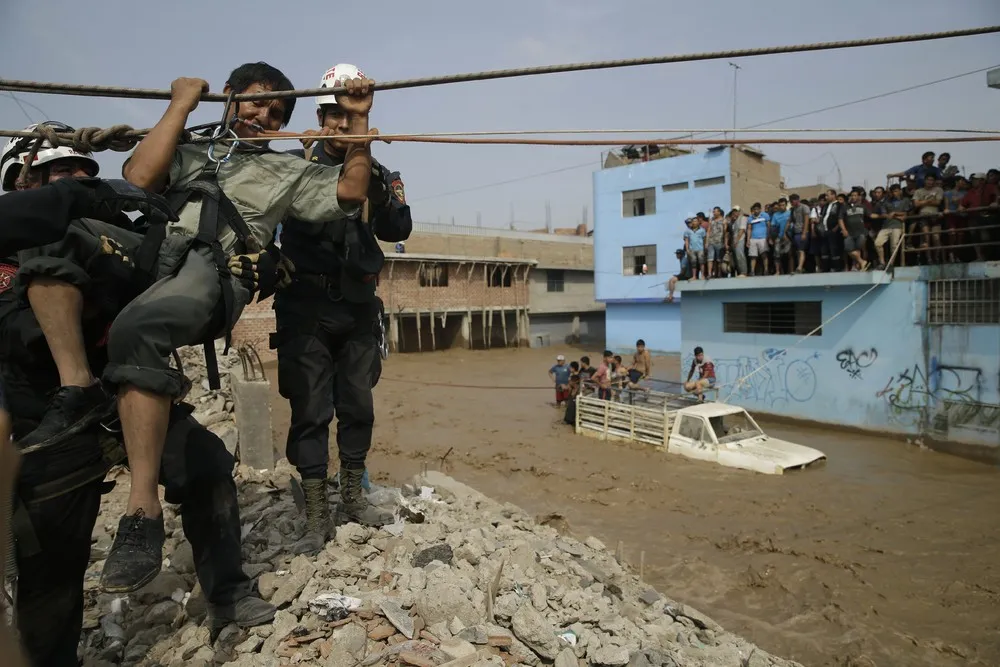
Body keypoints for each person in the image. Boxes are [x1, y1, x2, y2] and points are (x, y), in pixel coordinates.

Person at [15, 62, 375, 593]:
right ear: (228, 96)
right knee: (51, 228)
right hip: (157, 251)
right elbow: (140, 178)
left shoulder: (287, 170)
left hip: (215, 267)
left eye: (277, 112)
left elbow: (350, 192)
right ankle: (78, 387)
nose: (265, 116)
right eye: (256, 101)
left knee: (137, 329)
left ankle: (142, 512)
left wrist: (359, 121)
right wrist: (181, 104)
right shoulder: (190, 147)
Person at [0, 147, 276, 666]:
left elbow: (175, 292)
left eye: (84, 173)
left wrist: (240, 269)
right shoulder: (8, 255)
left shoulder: (113, 244)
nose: (77, 181)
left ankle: (228, 593)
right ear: (23, 183)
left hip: (121, 398)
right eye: (60, 173)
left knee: (206, 464)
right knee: (52, 563)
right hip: (49, 419)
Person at [272, 63, 412, 551]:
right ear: (320, 118)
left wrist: (366, 163)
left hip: (357, 307)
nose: (339, 124)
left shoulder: (377, 172)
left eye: (347, 116)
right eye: (332, 114)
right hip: (304, 306)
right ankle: (316, 510)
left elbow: (398, 229)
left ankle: (351, 496)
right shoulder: (292, 165)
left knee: (357, 404)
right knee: (309, 408)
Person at [838, 190, 871, 271]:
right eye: (852, 195)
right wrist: (844, 229)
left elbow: (870, 215)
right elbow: (840, 219)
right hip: (849, 232)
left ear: (859, 196)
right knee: (849, 249)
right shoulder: (845, 207)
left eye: (855, 195)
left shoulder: (863, 206)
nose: (853, 197)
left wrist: (883, 215)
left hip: (861, 232)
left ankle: (859, 266)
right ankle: (862, 262)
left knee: (858, 249)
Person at [746, 203, 770, 276]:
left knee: (764, 255)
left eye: (757, 209)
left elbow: (769, 226)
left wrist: (768, 237)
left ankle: (766, 270)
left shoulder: (765, 215)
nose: (756, 211)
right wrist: (748, 240)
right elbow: (749, 229)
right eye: (754, 209)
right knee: (753, 256)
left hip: (763, 238)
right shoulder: (750, 218)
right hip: (753, 239)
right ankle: (752, 271)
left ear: (760, 209)